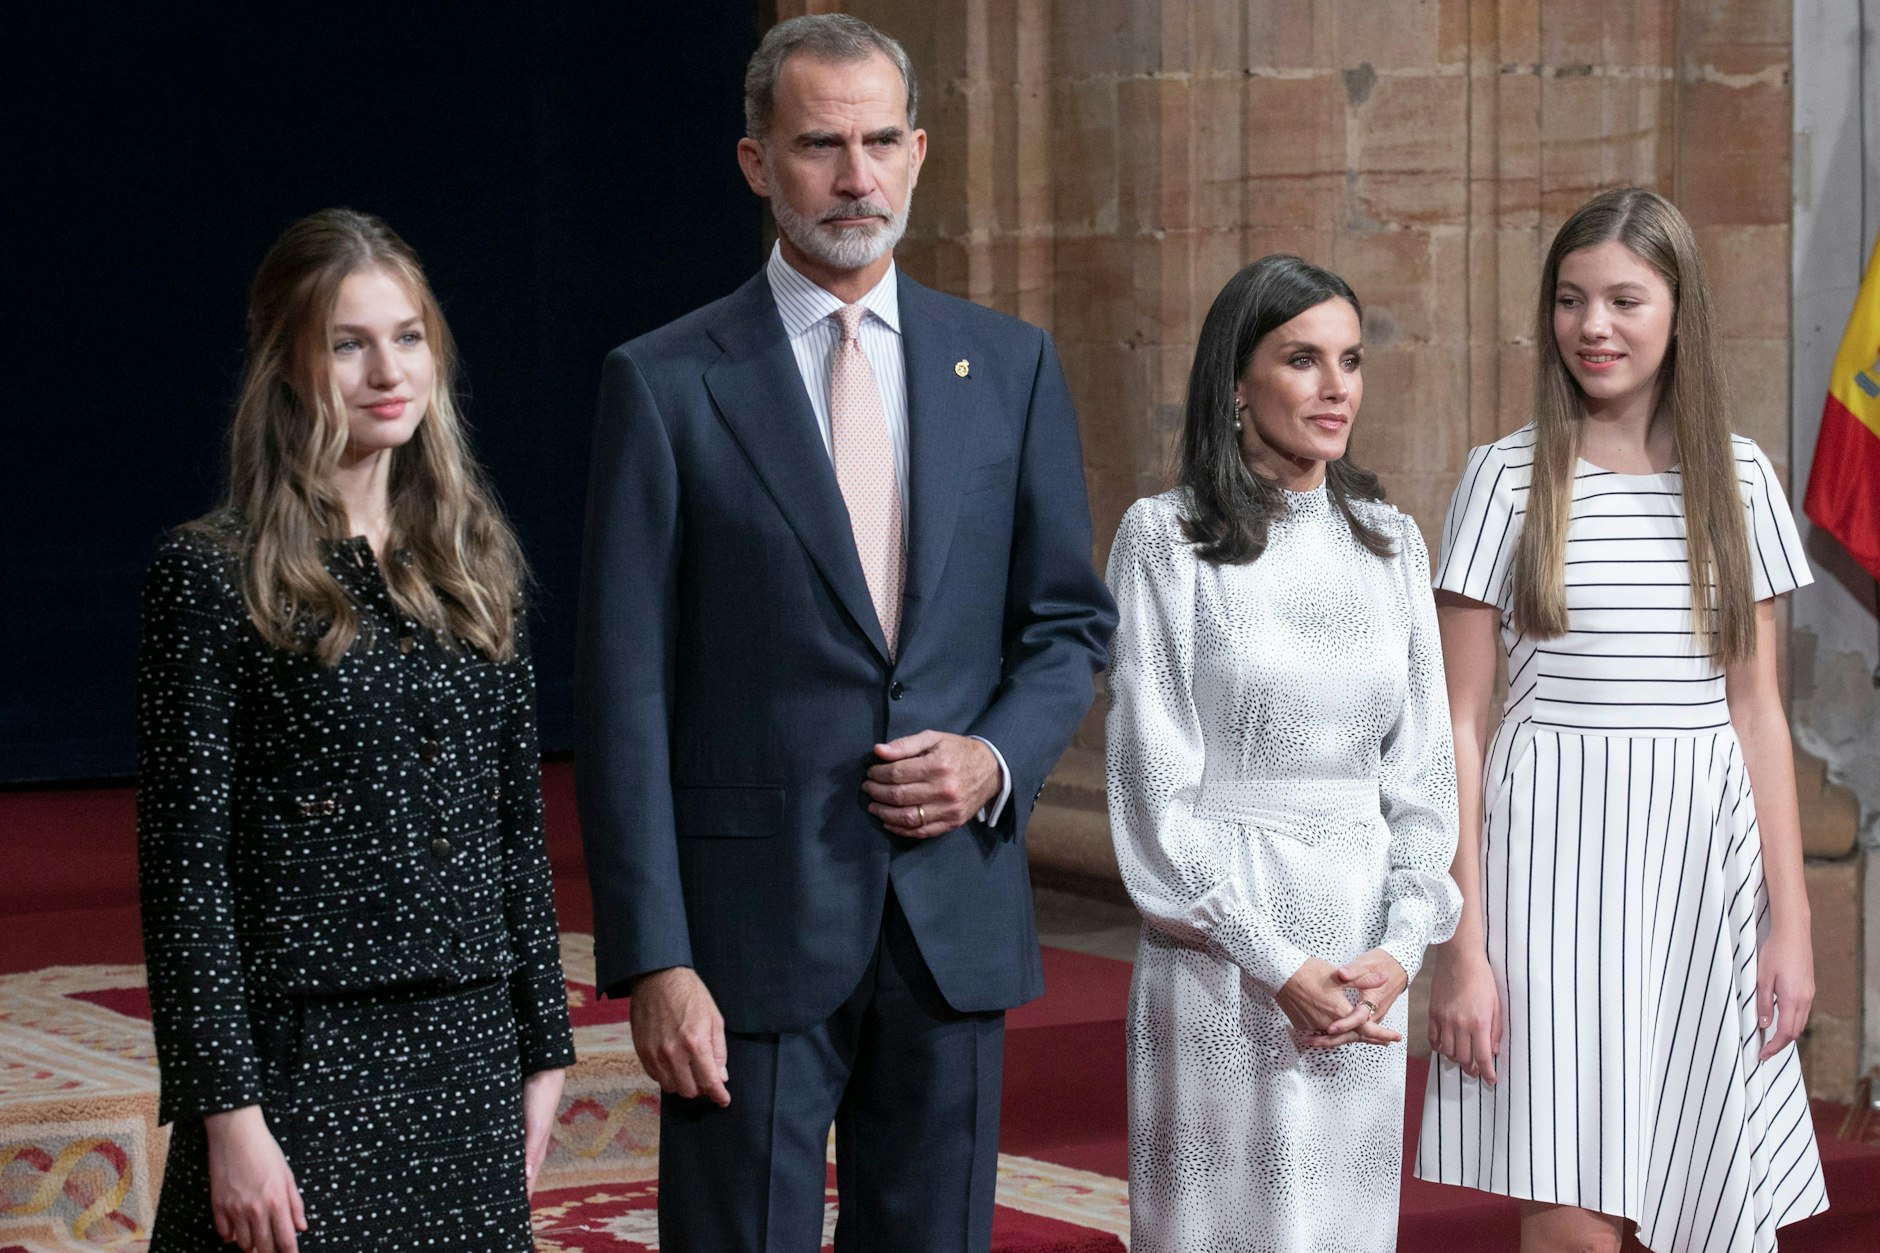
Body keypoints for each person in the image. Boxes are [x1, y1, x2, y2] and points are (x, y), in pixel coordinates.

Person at [573, 14, 1114, 1252]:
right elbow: (623, 693)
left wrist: (992, 759)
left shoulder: (1010, 365)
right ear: (759, 162)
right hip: (744, 936)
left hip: (949, 923)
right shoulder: (662, 385)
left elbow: (1067, 622)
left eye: (879, 141)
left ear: (919, 151)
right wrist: (654, 956)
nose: (855, 176)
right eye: (821, 144)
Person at [137, 209, 574, 1253]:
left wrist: (543, 1043)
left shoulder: (473, 562)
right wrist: (229, 1116)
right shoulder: (210, 575)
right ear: (288, 362)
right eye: (348, 341)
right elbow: (185, 869)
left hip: (467, 1045)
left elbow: (516, 822)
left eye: (408, 335)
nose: (387, 369)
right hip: (305, 1057)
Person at [1415, 187, 1828, 1252]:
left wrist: (1789, 919)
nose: (1590, 326)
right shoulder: (1504, 478)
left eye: (1621, 300)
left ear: (1677, 310)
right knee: (1570, 1199)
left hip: (1704, 862)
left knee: (1709, 1187)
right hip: (1548, 868)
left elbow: (1757, 713)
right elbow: (1456, 723)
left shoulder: (1740, 480)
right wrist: (1460, 944)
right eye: (1568, 300)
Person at [1105, 254, 1462, 1251]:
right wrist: (1274, 963)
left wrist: (1395, 950)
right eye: (1301, 359)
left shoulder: (1391, 542)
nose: (1334, 384)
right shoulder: (1162, 539)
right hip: (1222, 952)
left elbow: (1423, 777)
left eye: (1349, 359)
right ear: (1233, 381)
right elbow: (1147, 788)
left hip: (1356, 963)